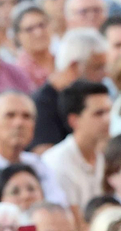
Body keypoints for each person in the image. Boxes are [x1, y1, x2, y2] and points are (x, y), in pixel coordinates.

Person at [43, 80, 113, 217]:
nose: (107, 119)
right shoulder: (56, 162)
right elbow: (74, 222)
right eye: (98, 113)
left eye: (109, 111)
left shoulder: (106, 155)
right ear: (74, 120)